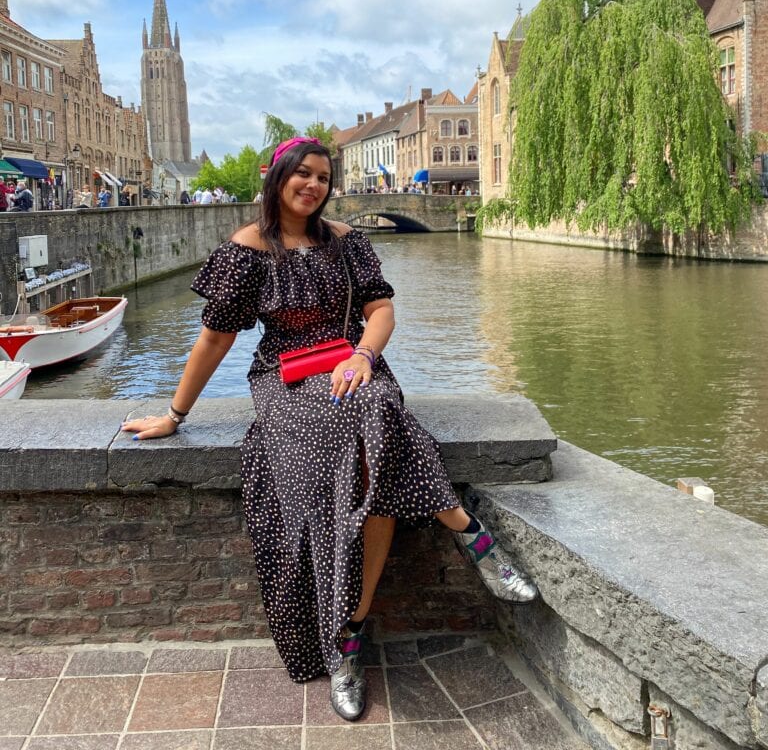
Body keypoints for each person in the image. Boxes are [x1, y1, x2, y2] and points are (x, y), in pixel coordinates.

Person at [122, 137, 537, 721]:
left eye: (323, 176)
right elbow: (215, 338)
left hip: (353, 363)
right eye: (303, 174)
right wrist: (175, 415)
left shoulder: (347, 241)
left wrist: (364, 355)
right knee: (371, 419)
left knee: (373, 418)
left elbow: (381, 310)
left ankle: (349, 636)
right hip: (286, 377)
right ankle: (469, 533)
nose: (313, 185)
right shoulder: (246, 250)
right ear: (278, 178)